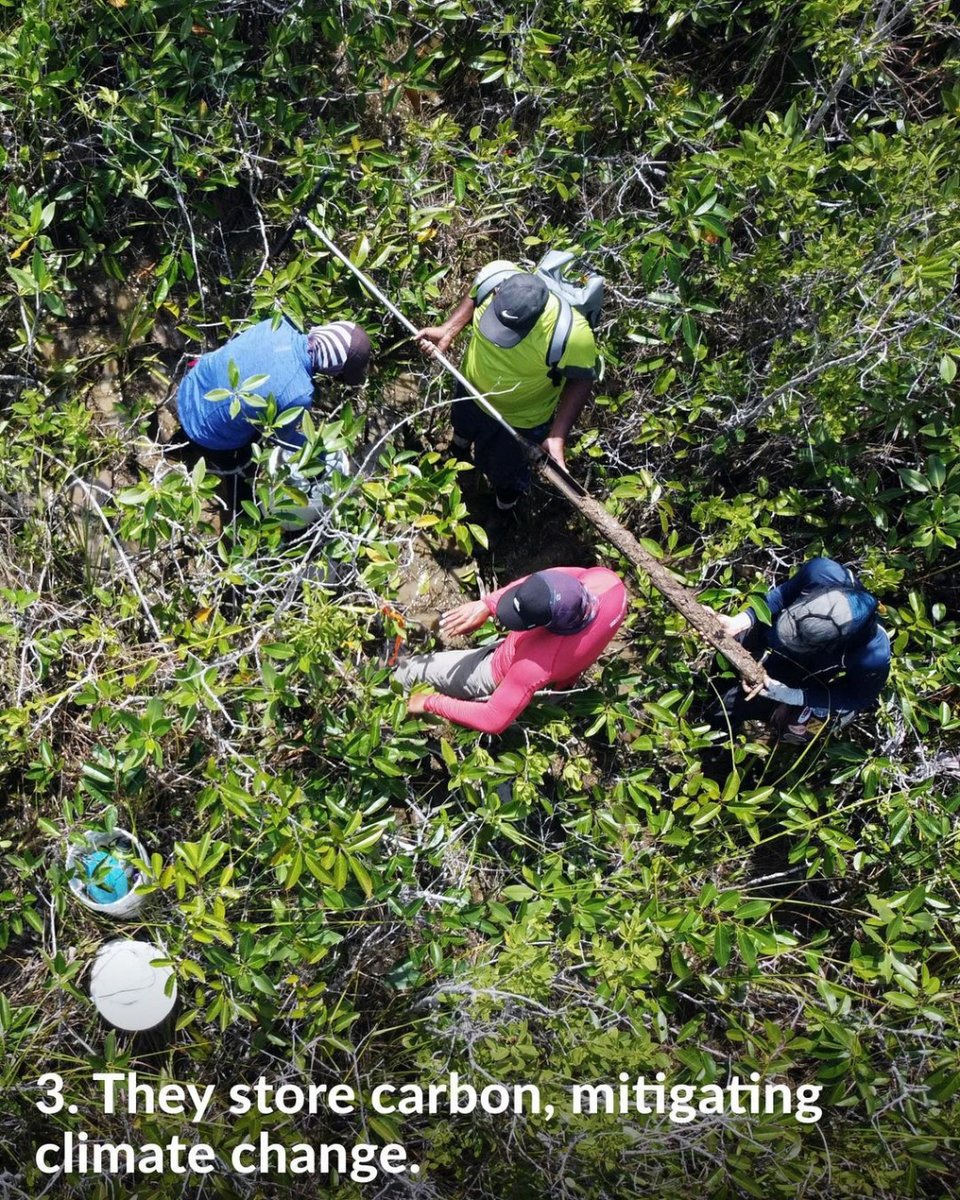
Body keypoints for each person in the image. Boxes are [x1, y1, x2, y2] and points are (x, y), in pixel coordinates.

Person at [415, 261, 598, 510]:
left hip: (520, 420)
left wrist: (557, 437)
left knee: (505, 473)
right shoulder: (494, 274)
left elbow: (583, 378)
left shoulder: (573, 336)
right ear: (497, 292)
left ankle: (503, 510)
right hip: (470, 388)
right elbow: (474, 295)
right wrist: (449, 329)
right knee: (461, 426)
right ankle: (457, 450)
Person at [396, 566, 627, 734]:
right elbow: (542, 580)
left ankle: (388, 700)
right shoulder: (608, 583)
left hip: (496, 671)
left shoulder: (538, 662)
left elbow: (493, 720)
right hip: (562, 679)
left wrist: (429, 702)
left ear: (552, 627)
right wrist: (488, 604)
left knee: (408, 672)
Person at [710, 557, 891, 741]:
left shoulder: (873, 655)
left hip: (797, 676)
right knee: (720, 666)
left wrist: (795, 696)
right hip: (767, 635)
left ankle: (735, 736)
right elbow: (783, 594)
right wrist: (740, 622)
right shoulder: (822, 572)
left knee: (724, 711)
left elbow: (857, 697)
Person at [176, 316, 371, 454]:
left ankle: (172, 447)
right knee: (243, 472)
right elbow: (282, 438)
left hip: (189, 386)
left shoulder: (278, 324)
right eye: (341, 372)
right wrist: (319, 452)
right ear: (333, 366)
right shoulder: (298, 393)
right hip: (207, 433)